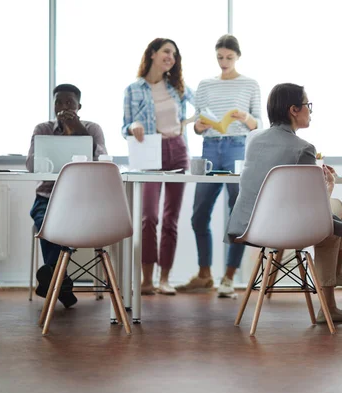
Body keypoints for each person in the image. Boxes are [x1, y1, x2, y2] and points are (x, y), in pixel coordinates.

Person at [225, 83, 342, 323]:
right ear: (294, 110)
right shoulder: (304, 149)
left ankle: (338, 274)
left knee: (331, 215)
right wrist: (329, 185)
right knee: (334, 211)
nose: (310, 111)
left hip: (250, 227)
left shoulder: (253, 140)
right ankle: (331, 299)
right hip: (287, 227)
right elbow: (312, 206)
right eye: (307, 105)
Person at [175, 34, 262, 297]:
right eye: (220, 57)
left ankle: (228, 277)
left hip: (238, 146)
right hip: (210, 148)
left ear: (238, 57)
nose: (224, 62)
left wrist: (245, 116)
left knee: (237, 215)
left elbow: (258, 124)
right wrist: (200, 127)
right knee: (199, 214)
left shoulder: (250, 84)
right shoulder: (205, 85)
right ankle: (205, 275)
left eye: (229, 57)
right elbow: (201, 124)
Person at [122, 38, 195, 295]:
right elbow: (125, 126)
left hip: (177, 151)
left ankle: (165, 279)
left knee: (170, 219)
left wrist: (199, 123)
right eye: (166, 52)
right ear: (152, 54)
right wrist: (133, 127)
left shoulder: (178, 88)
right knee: (148, 217)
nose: (171, 58)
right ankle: (147, 280)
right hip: (150, 153)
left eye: (174, 55)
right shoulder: (133, 89)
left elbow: (202, 111)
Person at [27, 83, 107, 308]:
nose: (63, 107)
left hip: (82, 199)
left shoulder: (92, 128)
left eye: (69, 103)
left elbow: (100, 159)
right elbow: (31, 165)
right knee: (48, 222)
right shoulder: (42, 129)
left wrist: (77, 129)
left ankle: (50, 279)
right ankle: (62, 284)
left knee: (66, 225)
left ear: (79, 106)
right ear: (53, 106)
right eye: (59, 103)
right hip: (47, 197)